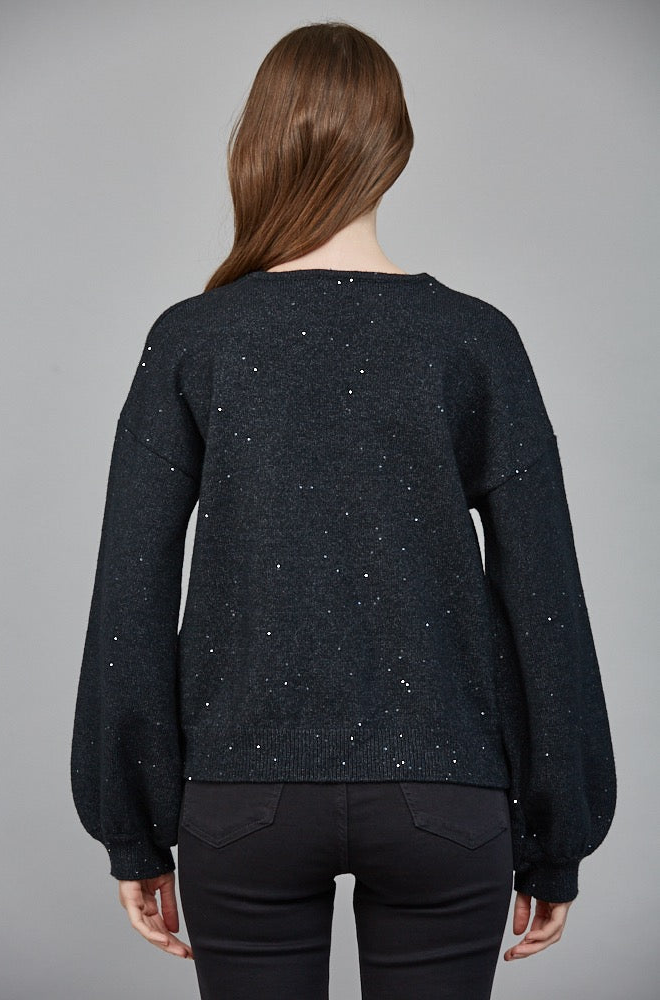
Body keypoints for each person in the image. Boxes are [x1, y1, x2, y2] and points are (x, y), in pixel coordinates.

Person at [69, 20, 617, 1000]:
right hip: (445, 797)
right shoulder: (473, 340)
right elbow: (543, 597)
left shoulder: (194, 340)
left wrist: (133, 828)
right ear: (393, 147)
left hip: (243, 799)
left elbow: (130, 594)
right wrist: (555, 835)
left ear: (256, 146)